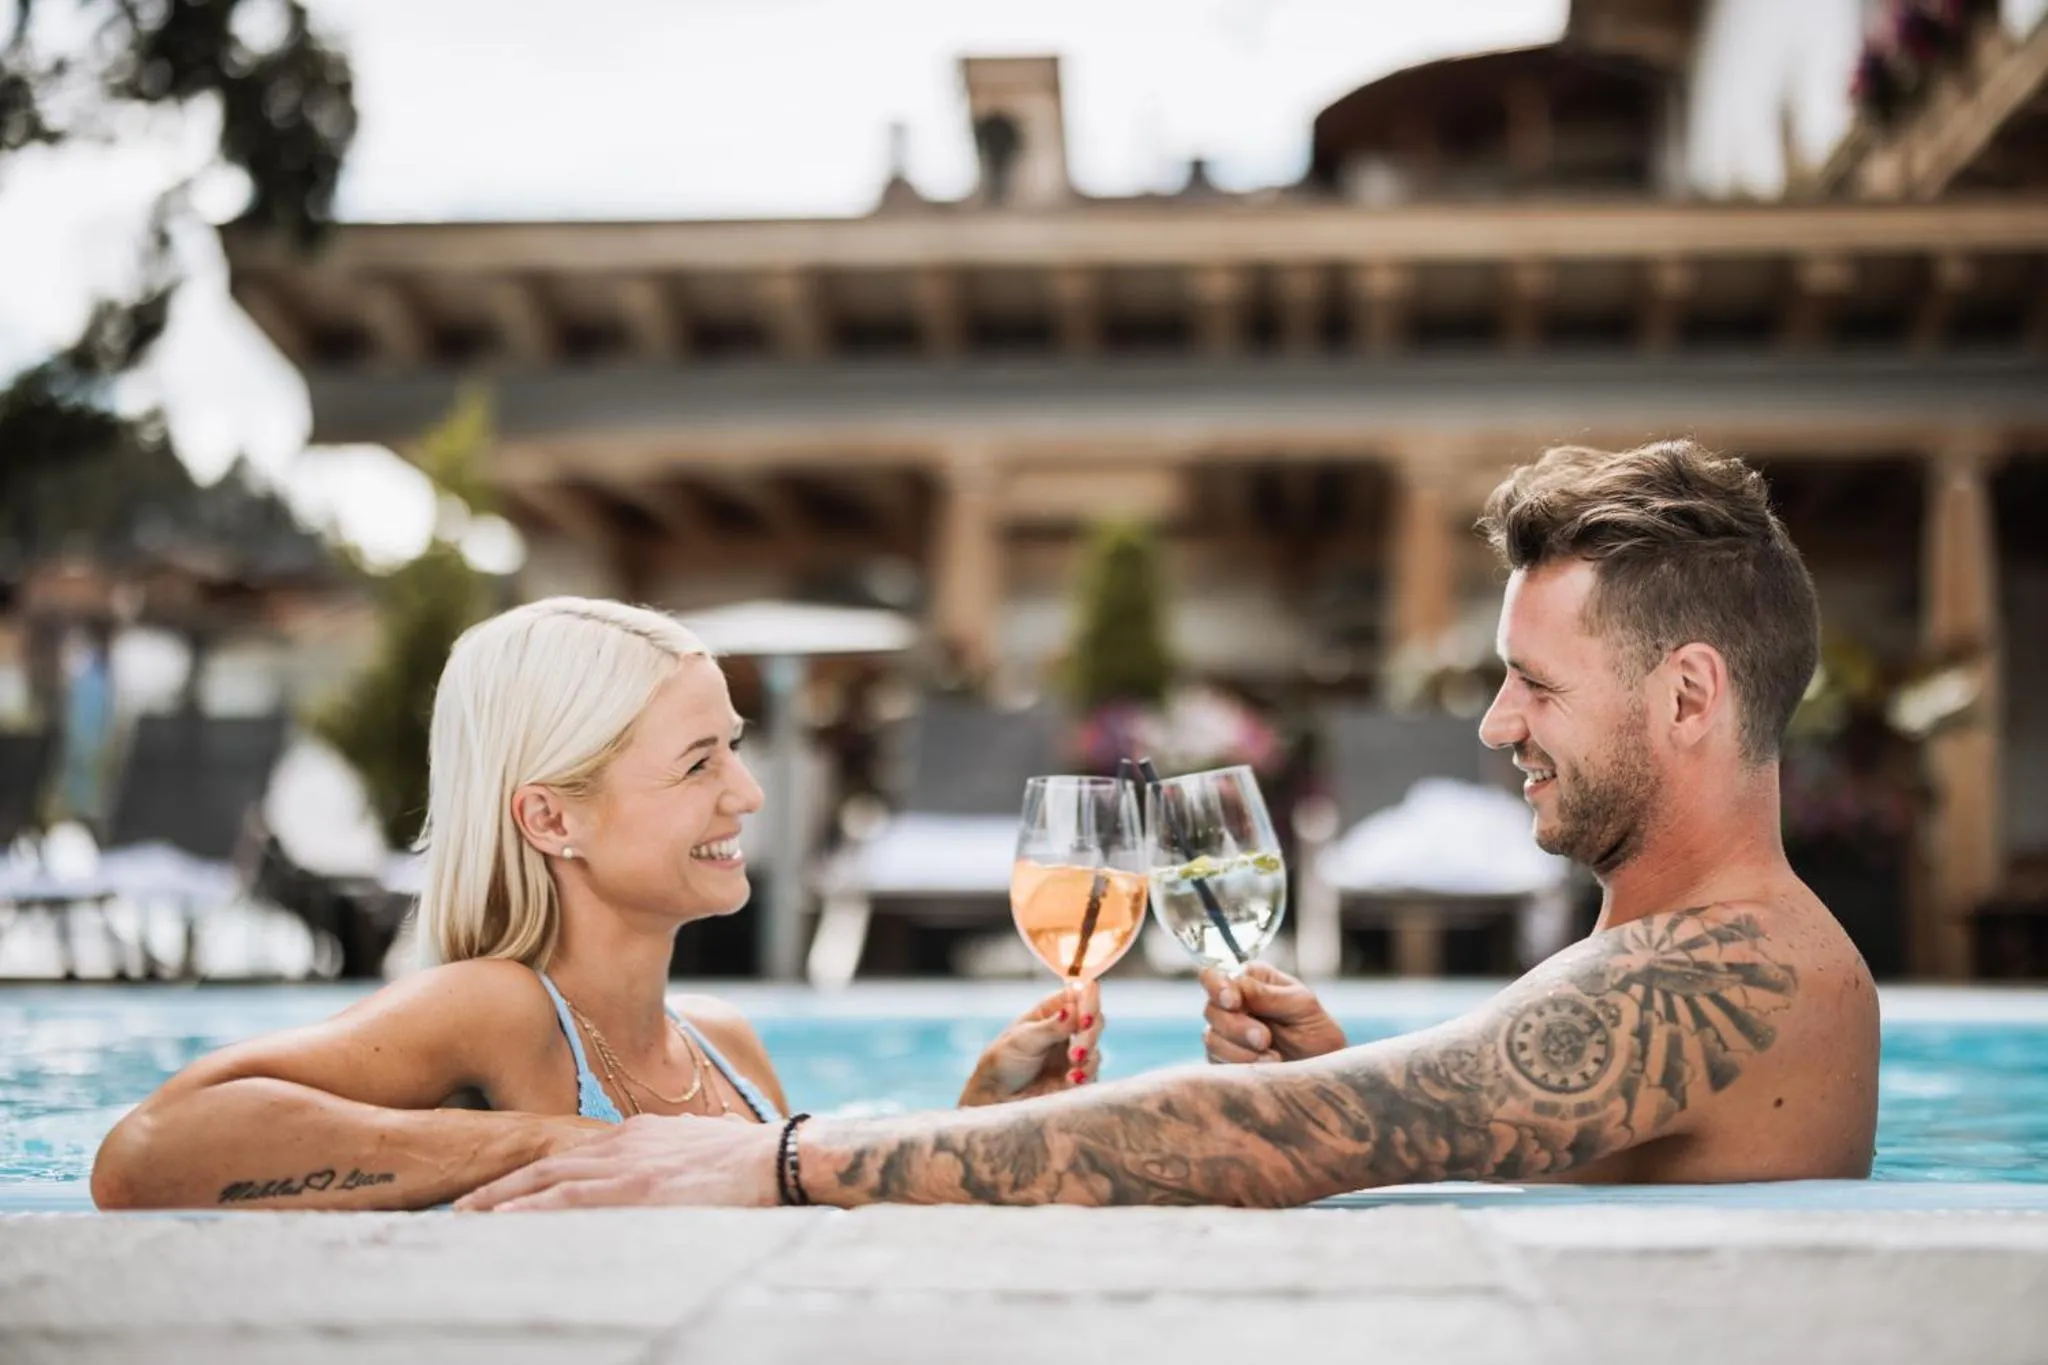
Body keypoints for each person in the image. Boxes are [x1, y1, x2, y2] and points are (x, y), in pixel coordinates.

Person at [458, 440, 1880, 1212]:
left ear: (1688, 694)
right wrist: (1353, 1077)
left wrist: (779, 1159)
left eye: (1533, 683)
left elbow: (1271, 1138)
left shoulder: (1723, 971)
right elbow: (1454, 1131)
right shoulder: (1689, 954)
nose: (1499, 724)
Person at [90, 598, 1105, 1211]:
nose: (745, 794)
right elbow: (146, 1154)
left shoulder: (724, 1045)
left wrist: (969, 1123)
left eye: (735, 748)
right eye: (698, 761)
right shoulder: (498, 1009)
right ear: (549, 818)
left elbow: (795, 1204)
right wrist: (553, 1140)